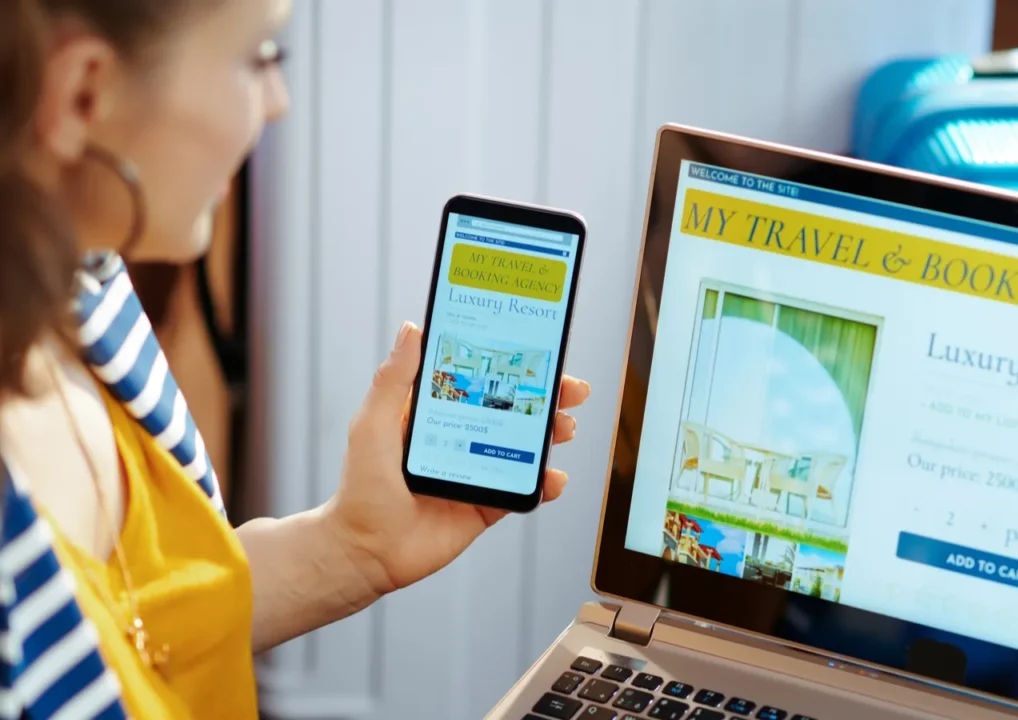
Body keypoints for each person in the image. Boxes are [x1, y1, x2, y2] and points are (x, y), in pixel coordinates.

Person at [0, 0, 591, 717]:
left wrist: (351, 547)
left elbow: (143, 625)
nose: (277, 101)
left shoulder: (86, 285)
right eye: (258, 58)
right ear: (82, 93)